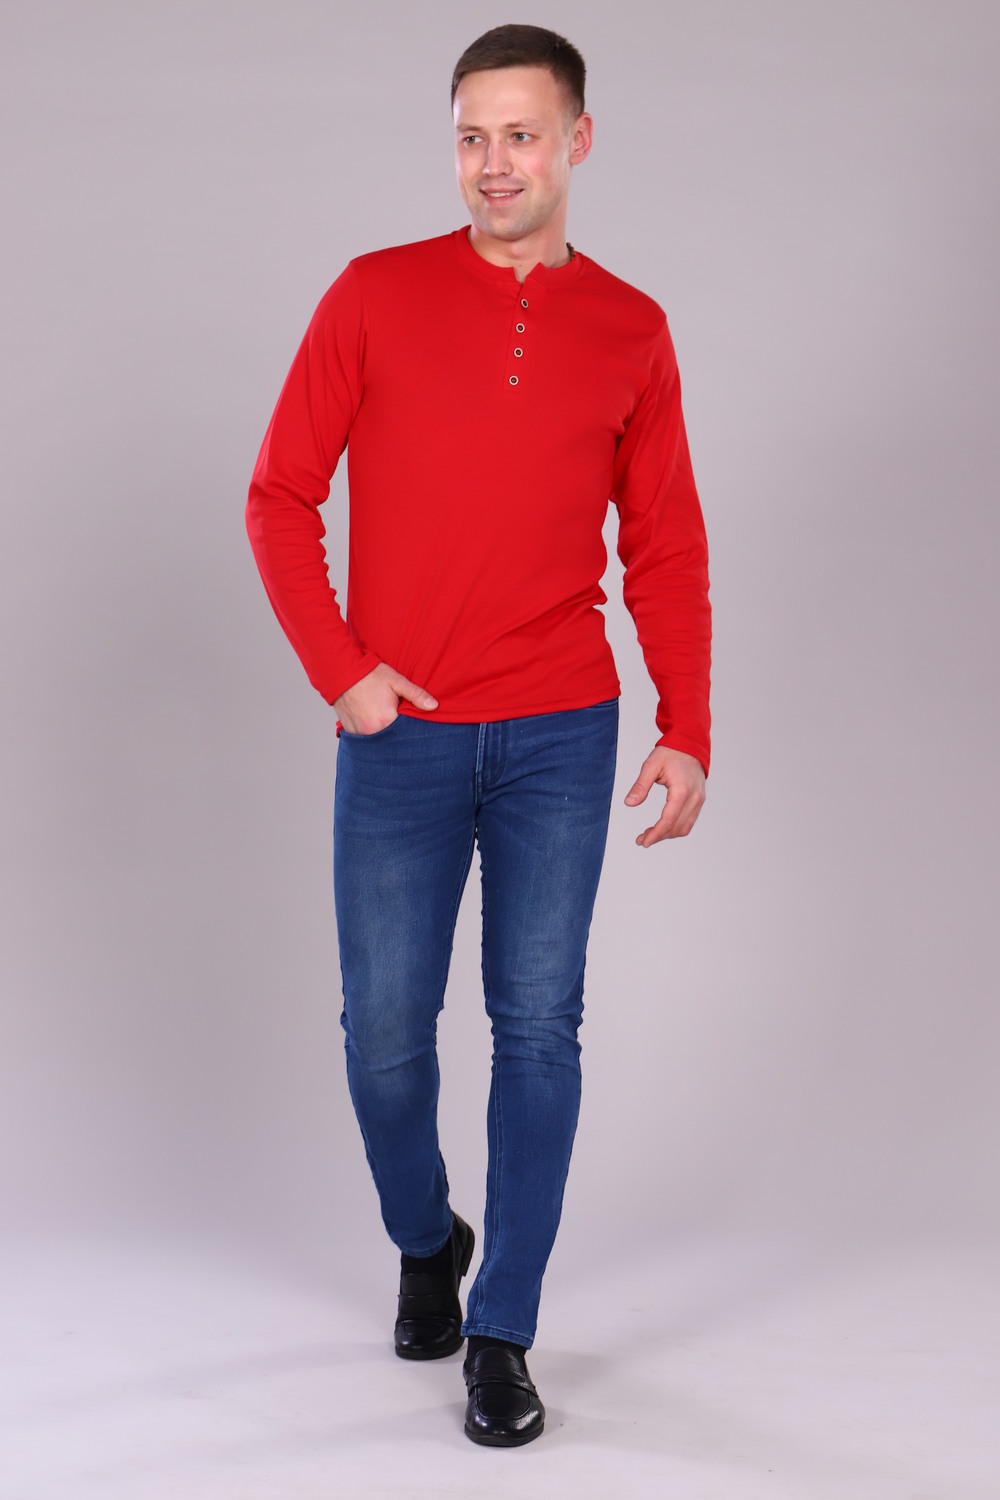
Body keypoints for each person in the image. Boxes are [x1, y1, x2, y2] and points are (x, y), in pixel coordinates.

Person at [246, 23, 711, 1448]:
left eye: (521, 134)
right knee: (384, 1037)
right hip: (404, 734)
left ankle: (502, 1329)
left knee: (538, 1027)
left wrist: (688, 722)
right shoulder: (374, 295)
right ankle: (423, 1237)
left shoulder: (631, 328)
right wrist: (343, 672)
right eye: (471, 136)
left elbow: (666, 546)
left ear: (577, 141)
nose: (493, 163)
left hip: (563, 731)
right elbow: (279, 495)